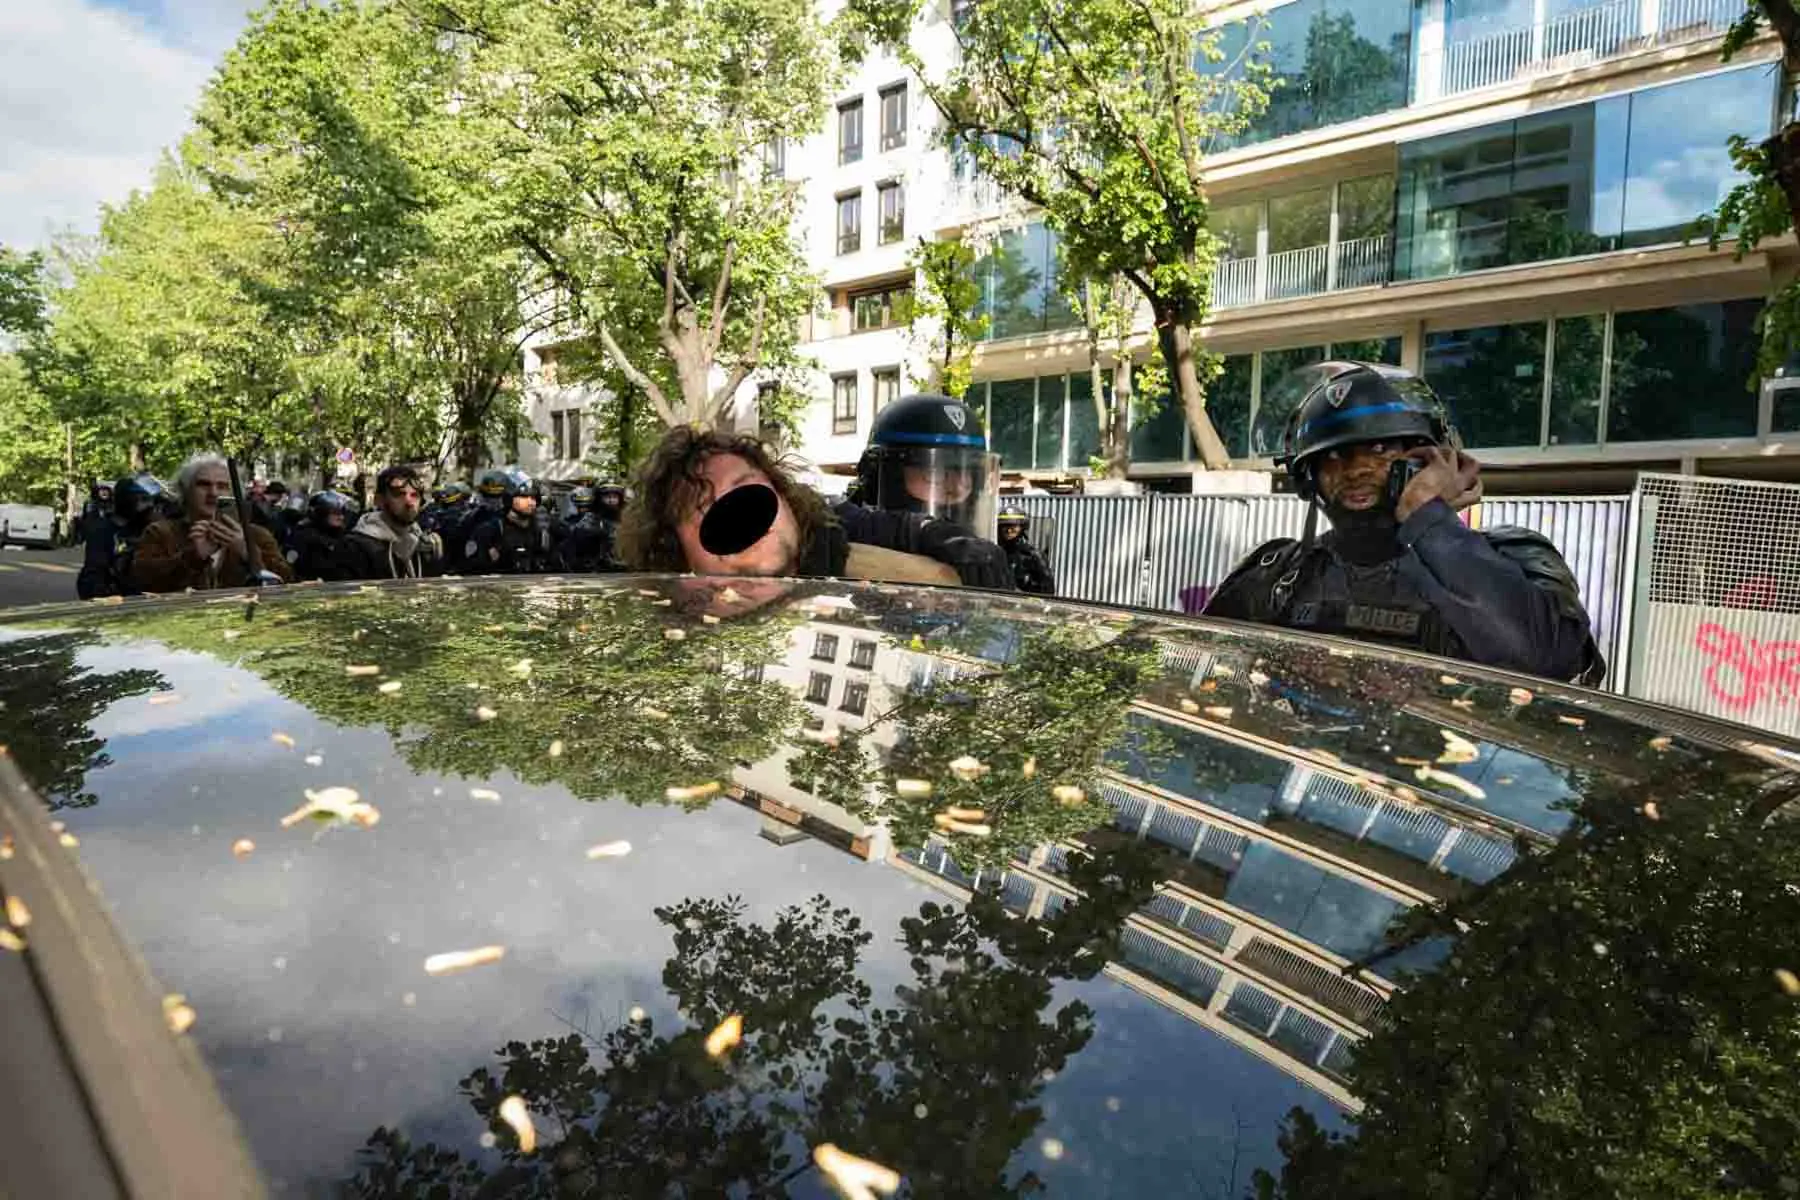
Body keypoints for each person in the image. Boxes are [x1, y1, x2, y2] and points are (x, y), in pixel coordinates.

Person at [1204, 361, 1601, 684]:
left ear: (1430, 459)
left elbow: (1552, 665)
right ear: (1309, 479)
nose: (1356, 469)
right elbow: (1199, 666)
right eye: (1335, 457)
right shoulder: (1281, 572)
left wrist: (1429, 522)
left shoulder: (1514, 558)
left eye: (1379, 450)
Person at [619, 425, 1013, 588]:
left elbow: (898, 528)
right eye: (705, 511)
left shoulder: (835, 529)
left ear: (786, 500)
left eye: (747, 491)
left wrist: (954, 542)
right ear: (674, 550)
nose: (740, 517)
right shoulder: (669, 652)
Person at [131, 454, 292, 592]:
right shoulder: (160, 533)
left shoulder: (256, 535)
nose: (213, 493)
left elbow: (288, 583)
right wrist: (194, 556)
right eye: (203, 485)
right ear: (186, 491)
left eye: (222, 486)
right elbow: (141, 582)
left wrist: (248, 552)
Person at [852, 393, 998, 534]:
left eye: (968, 473)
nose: (958, 488)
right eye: (935, 473)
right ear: (882, 480)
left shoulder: (977, 554)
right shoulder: (842, 550)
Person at [342, 464, 443, 580]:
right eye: (399, 494)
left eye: (415, 495)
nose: (409, 502)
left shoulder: (423, 545)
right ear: (379, 500)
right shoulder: (354, 547)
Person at [76, 473, 167, 599]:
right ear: (129, 501)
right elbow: (91, 584)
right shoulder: (104, 532)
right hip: (118, 607)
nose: (153, 508)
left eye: (155, 503)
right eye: (145, 500)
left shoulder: (152, 532)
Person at [461, 467, 556, 574]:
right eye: (524, 497)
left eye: (533, 498)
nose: (531, 502)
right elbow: (469, 570)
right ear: (509, 498)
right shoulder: (489, 531)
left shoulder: (541, 533)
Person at [285, 490, 359, 581]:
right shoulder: (303, 536)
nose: (341, 517)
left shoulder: (342, 537)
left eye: (342, 513)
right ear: (321, 513)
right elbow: (294, 569)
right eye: (335, 513)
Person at [555, 485, 624, 572]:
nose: (611, 500)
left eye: (614, 497)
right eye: (607, 497)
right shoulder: (592, 517)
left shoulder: (626, 518)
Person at [996, 505, 1055, 595]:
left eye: (1013, 526)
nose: (1009, 530)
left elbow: (1048, 591)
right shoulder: (995, 554)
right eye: (1005, 525)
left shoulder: (1034, 556)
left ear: (1022, 527)